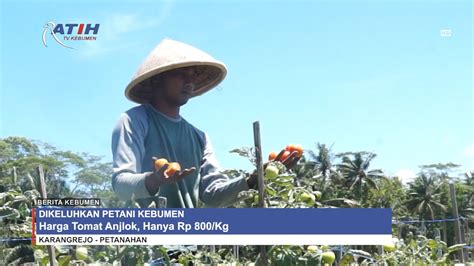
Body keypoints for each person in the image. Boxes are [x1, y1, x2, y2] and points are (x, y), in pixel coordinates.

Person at [111, 38, 299, 208]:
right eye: (181, 73)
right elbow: (121, 185)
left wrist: (255, 179)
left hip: (188, 241)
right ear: (158, 78)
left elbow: (213, 195)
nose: (189, 81)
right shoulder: (134, 121)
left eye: (192, 75)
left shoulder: (199, 137)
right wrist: (155, 180)